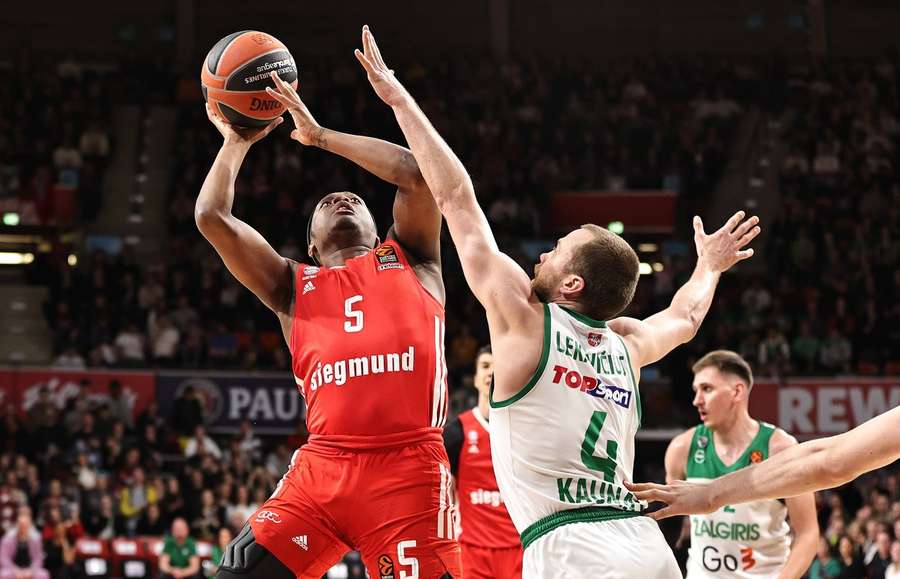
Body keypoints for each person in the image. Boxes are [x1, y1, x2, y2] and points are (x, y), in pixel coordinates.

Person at [352, 24, 759, 579]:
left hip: (570, 545)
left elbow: (454, 197)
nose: (542, 255)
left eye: (557, 252)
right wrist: (709, 266)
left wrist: (398, 98)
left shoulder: (524, 319)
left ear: (573, 285)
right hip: (645, 544)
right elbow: (686, 317)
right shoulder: (628, 344)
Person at [199, 28, 457, 578]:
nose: (343, 198)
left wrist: (319, 137)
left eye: (356, 199)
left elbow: (416, 174)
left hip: (408, 472)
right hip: (322, 469)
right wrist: (236, 141)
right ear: (311, 246)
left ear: (375, 224)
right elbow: (211, 219)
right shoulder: (291, 286)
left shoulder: (413, 259)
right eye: (327, 202)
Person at [664, 350, 818, 578]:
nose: (697, 400)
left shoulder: (780, 449)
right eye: (696, 390)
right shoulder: (681, 448)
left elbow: (808, 534)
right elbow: (670, 528)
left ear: (737, 391)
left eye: (707, 389)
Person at [624, 406, 900, 519]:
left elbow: (829, 462)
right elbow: (827, 462)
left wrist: (710, 494)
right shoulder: (684, 445)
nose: (699, 400)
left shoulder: (775, 440)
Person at [442, 346, 522, 578]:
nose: (491, 373)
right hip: (472, 551)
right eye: (485, 366)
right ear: (475, 379)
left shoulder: (525, 431)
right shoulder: (457, 432)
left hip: (519, 549)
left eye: (498, 367)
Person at [0, 508, 50, 579]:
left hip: (30, 569)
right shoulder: (7, 538)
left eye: (25, 524)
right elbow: (3, 558)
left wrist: (31, 570)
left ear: (30, 524)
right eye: (21, 524)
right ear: (17, 524)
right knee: (3, 575)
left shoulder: (36, 538)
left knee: (44, 575)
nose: (23, 527)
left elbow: (39, 558)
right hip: (12, 569)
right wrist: (15, 570)